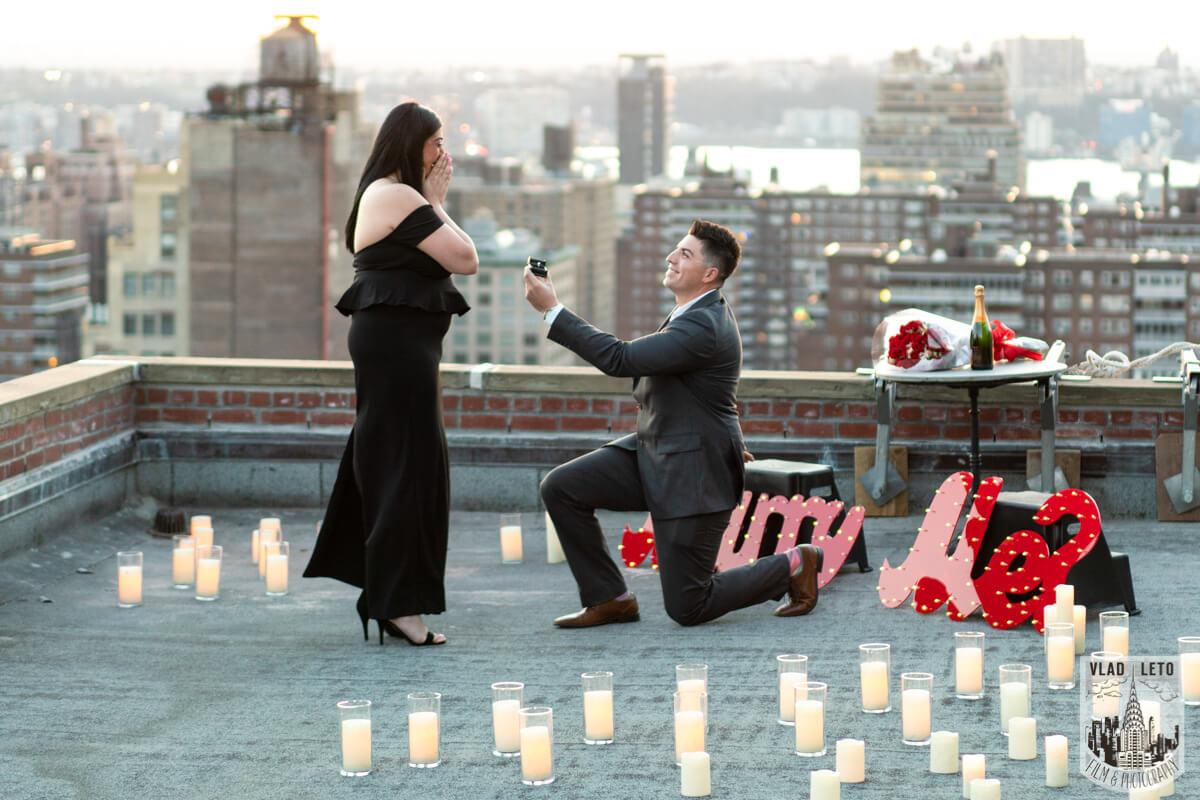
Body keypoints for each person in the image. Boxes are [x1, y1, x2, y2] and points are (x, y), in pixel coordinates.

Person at [522, 218, 821, 628]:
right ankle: (610, 598)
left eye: (684, 254)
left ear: (709, 274)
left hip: (692, 476)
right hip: (655, 450)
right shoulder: (694, 312)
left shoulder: (702, 325)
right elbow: (709, 393)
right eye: (675, 250)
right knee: (562, 487)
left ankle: (794, 563)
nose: (671, 258)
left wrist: (552, 310)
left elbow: (621, 359)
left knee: (688, 606)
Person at [304, 102, 478, 646]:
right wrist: (436, 202)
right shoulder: (397, 194)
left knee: (394, 460)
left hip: (401, 346)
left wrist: (433, 202)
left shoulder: (388, 194)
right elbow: (465, 257)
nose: (442, 153)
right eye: (435, 142)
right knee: (408, 466)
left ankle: (385, 595)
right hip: (397, 349)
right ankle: (397, 605)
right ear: (410, 144)